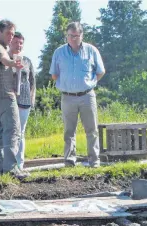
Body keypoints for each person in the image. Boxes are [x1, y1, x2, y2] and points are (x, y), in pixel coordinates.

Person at [49, 22, 105, 168]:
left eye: (76, 36)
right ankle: (69, 160)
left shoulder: (91, 50)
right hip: (67, 97)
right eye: (70, 36)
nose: (73, 38)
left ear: (82, 35)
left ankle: (94, 160)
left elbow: (101, 71)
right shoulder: (59, 52)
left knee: (91, 130)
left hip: (87, 95)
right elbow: (54, 75)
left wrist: (90, 82)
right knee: (69, 131)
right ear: (66, 36)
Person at [0, 20, 29, 179]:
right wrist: (13, 63)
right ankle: (11, 169)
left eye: (13, 33)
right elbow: (5, 59)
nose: (11, 36)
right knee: (13, 131)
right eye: (8, 33)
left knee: (1, 133)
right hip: (4, 96)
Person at [9, 32, 36, 170]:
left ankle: (20, 164)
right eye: (15, 42)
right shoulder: (4, 58)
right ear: (10, 42)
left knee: (21, 132)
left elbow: (32, 81)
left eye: (21, 43)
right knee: (10, 132)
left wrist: (32, 98)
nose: (18, 45)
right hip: (8, 100)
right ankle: (9, 163)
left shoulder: (27, 61)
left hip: (24, 101)